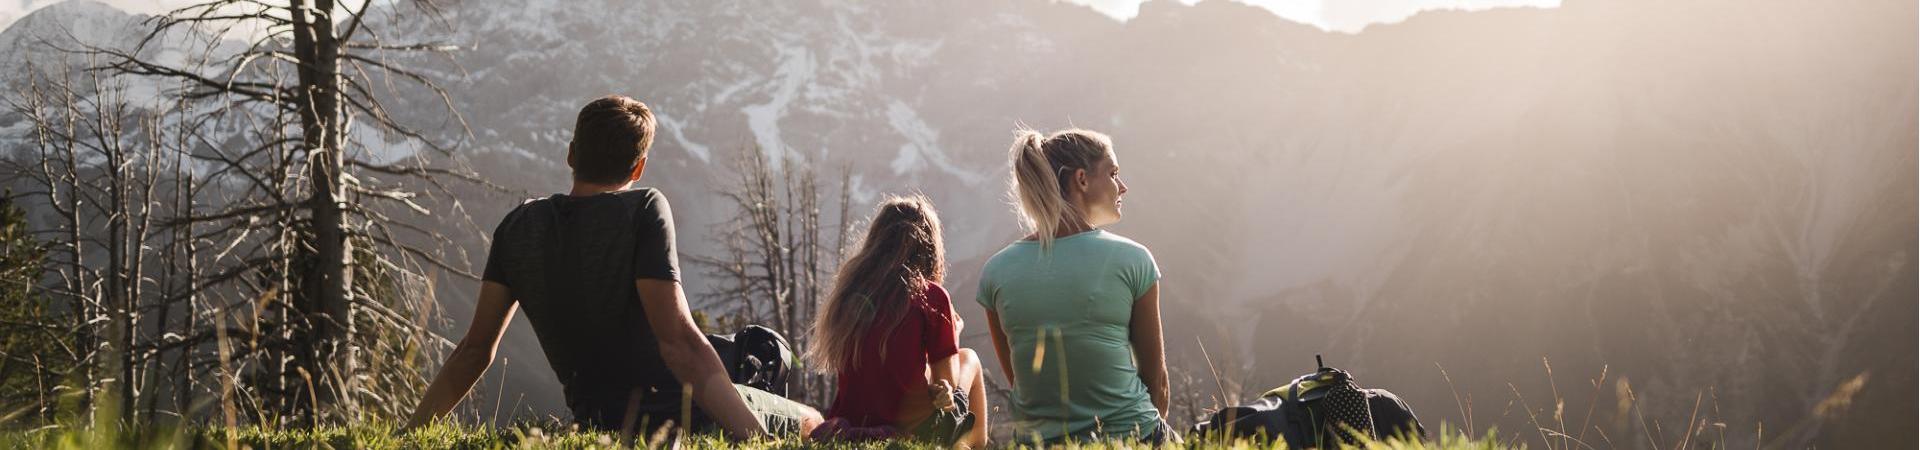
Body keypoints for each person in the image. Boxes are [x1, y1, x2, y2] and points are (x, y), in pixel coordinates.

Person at [402, 95, 821, 440]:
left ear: (571, 155)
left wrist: (411, 435)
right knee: (810, 420)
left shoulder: (518, 227)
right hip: (677, 412)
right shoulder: (643, 208)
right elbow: (679, 345)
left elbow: (475, 351)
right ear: (637, 168)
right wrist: (756, 440)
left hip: (597, 418)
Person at [976, 128, 1176, 444]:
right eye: (1113, 174)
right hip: (1133, 438)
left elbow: (1022, 382)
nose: (1123, 187)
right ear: (1081, 180)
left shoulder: (996, 272)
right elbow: (1157, 384)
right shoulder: (1133, 260)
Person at [806, 195, 989, 448]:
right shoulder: (931, 296)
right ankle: (975, 445)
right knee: (970, 358)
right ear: (930, 249)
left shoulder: (849, 292)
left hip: (848, 422)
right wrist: (952, 333)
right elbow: (945, 386)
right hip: (912, 429)